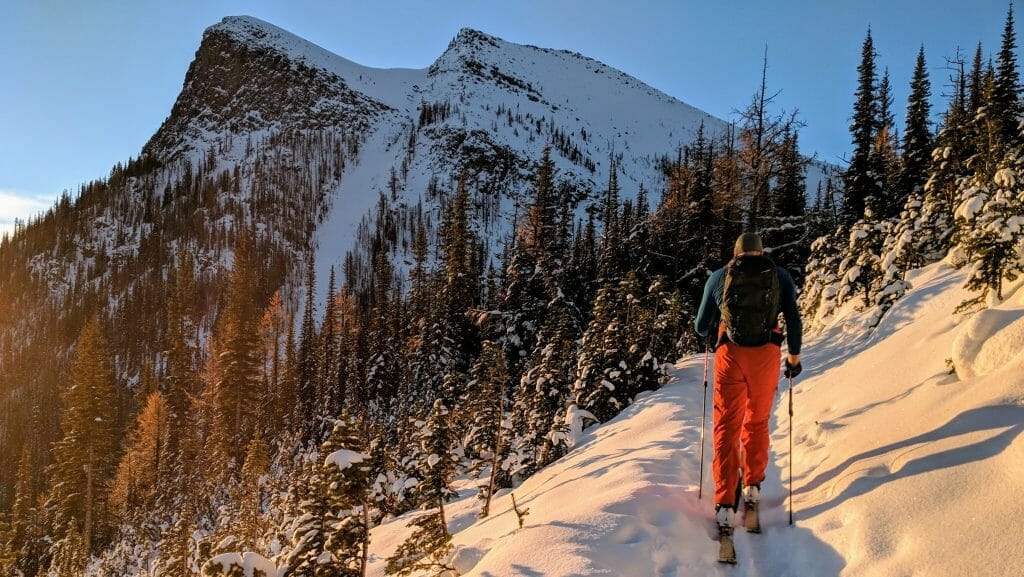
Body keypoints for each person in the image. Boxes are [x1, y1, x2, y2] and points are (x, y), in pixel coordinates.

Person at [695, 231, 802, 532]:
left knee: (726, 426)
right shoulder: (779, 276)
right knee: (757, 421)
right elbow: (793, 319)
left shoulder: (719, 277)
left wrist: (716, 325)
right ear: (761, 252)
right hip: (766, 355)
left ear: (736, 253)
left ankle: (724, 503)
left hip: (731, 355)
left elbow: (701, 325)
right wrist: (793, 357)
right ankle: (752, 484)